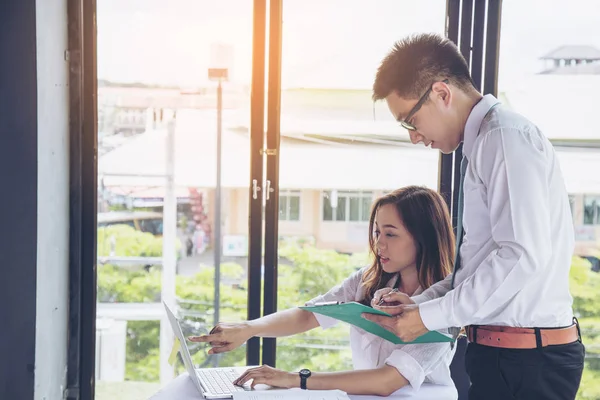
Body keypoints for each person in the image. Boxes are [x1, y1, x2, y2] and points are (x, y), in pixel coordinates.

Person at [364, 33, 584, 400]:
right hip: (505, 355)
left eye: (410, 120)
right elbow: (479, 264)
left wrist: (429, 317)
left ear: (441, 93)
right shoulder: (482, 143)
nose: (414, 137)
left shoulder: (505, 137)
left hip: (528, 362)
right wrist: (419, 304)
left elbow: (521, 256)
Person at [189, 186, 457, 398]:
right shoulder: (368, 280)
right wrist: (248, 328)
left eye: (391, 234)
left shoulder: (443, 306)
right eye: (376, 233)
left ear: (423, 238)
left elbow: (387, 381)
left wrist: (296, 379)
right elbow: (310, 315)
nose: (378, 245)